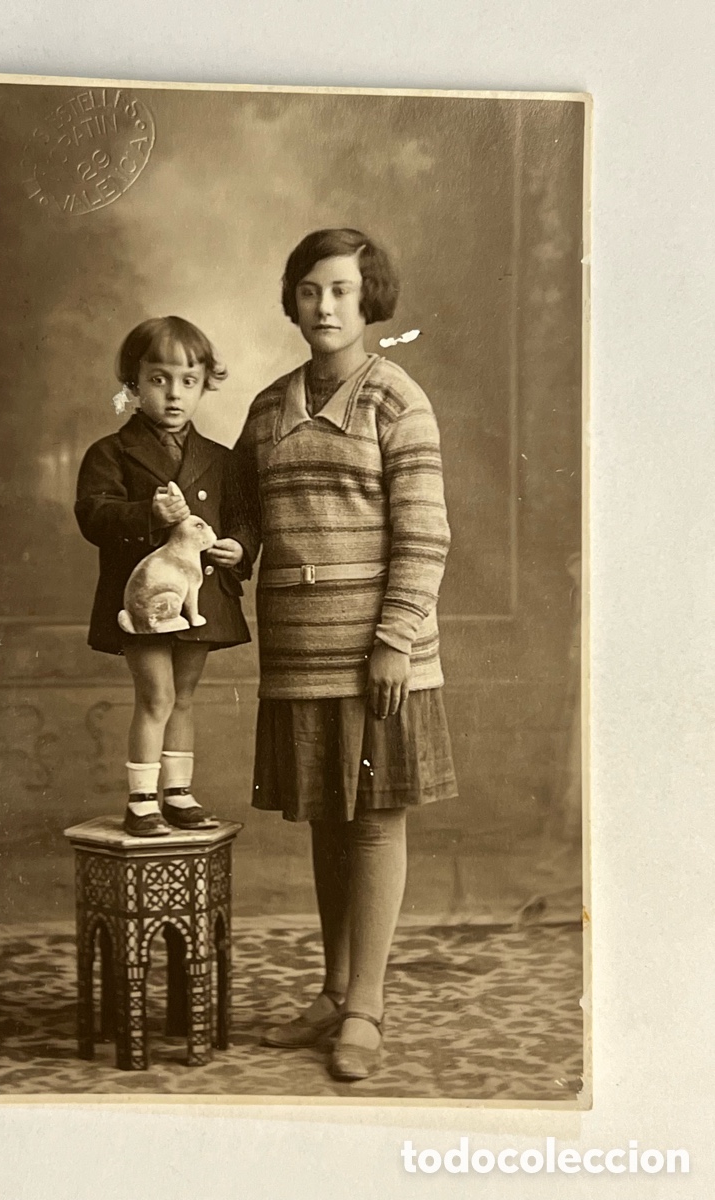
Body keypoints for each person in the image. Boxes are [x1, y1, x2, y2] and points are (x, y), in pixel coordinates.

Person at [220, 229, 458, 1081]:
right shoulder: (266, 408)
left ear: (369, 302)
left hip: (375, 657)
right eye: (311, 290)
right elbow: (249, 521)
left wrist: (394, 639)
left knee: (370, 827)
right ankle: (331, 991)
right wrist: (228, 552)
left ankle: (367, 1007)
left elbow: (425, 533)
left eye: (342, 292)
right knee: (327, 822)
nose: (325, 306)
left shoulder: (397, 399)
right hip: (296, 654)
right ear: (292, 299)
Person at [75, 316, 249, 838]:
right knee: (157, 695)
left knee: (186, 694)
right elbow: (93, 516)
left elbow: (243, 517)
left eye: (188, 381)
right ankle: (142, 801)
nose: (175, 394)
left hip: (199, 595)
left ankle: (179, 793)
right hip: (149, 599)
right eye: (159, 379)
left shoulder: (220, 460)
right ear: (132, 384)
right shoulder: (110, 453)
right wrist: (149, 513)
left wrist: (239, 547)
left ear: (203, 385)